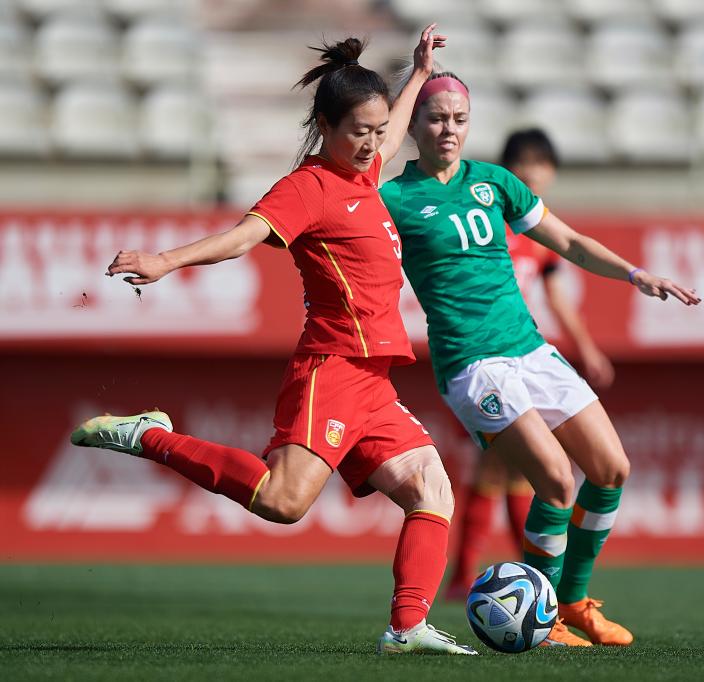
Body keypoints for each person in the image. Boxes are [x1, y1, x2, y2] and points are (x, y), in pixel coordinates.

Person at [69, 26, 479, 655]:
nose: (373, 144)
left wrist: (419, 73)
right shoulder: (307, 188)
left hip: (373, 380)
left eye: (377, 132)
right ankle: (148, 435)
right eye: (359, 132)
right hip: (332, 367)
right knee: (284, 503)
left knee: (432, 488)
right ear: (325, 126)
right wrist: (165, 260)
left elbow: (395, 130)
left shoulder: (365, 171)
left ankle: (406, 629)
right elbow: (242, 236)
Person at [380, 72, 700, 647]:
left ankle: (573, 602)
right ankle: (543, 621)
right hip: (472, 365)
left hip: (530, 349)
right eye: (436, 118)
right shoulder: (395, 199)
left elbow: (569, 242)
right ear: (413, 126)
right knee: (554, 479)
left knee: (611, 469)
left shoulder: (494, 182)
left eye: (459, 119)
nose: (449, 129)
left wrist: (636, 274)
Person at [444, 128, 615, 601]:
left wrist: (587, 347)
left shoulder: (538, 233)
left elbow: (557, 298)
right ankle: (473, 573)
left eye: (543, 164)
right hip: (482, 358)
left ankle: (502, 574)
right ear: (508, 170)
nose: (535, 172)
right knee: (500, 469)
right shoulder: (485, 221)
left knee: (518, 473)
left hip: (523, 357)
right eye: (526, 162)